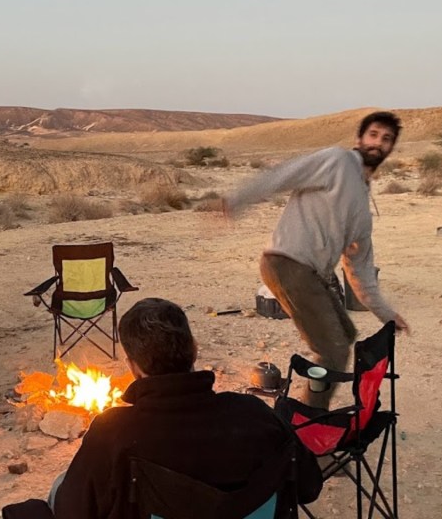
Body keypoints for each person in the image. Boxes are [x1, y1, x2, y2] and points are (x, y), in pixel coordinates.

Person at [51, 298, 322, 518]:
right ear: (194, 349)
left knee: (58, 490)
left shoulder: (112, 433)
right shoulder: (256, 416)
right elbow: (309, 487)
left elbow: (70, 512)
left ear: (133, 367)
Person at [224, 111, 411, 410]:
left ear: (391, 147)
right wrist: (236, 200)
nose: (378, 143)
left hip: (312, 273)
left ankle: (310, 408)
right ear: (359, 138)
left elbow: (360, 271)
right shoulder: (338, 161)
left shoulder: (363, 209)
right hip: (287, 262)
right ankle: (310, 420)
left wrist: (387, 314)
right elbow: (285, 174)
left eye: (386, 139)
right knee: (333, 350)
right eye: (373, 134)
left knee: (345, 335)